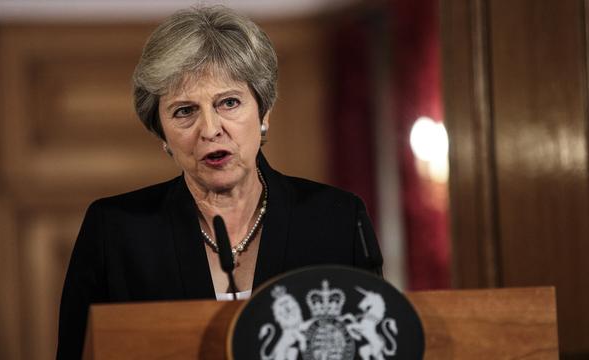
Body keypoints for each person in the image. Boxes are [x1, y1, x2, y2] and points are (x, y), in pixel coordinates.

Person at [57, 5, 380, 359]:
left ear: (264, 112)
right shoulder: (116, 231)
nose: (210, 129)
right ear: (161, 132)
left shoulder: (337, 219)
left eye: (228, 102)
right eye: (185, 111)